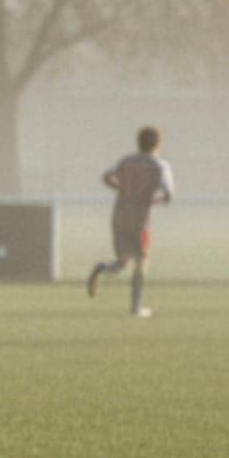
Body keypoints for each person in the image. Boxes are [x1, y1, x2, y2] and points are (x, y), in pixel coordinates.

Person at [88, 126, 173, 318]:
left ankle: (102, 268)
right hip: (140, 221)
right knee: (142, 261)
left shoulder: (127, 161)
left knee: (123, 262)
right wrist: (151, 200)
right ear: (158, 144)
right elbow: (169, 195)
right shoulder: (160, 165)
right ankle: (136, 307)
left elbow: (106, 177)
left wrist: (121, 189)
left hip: (119, 217)